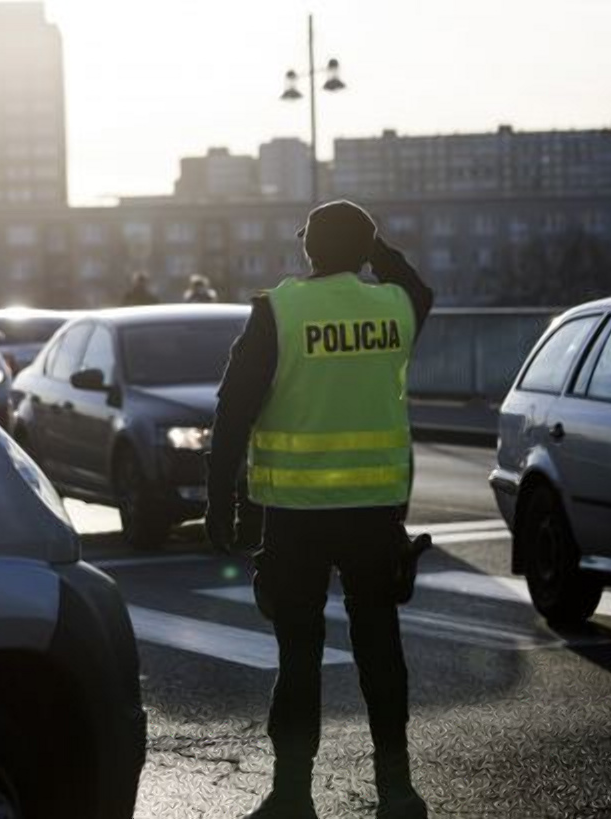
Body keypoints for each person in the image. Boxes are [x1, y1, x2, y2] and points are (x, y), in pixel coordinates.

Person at [205, 200, 435, 819]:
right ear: (364, 251)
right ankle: (397, 789)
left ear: (309, 249)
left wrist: (220, 503)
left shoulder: (277, 312)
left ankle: (291, 795)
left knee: (298, 652)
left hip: (296, 514)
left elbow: (232, 414)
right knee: (381, 649)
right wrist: (373, 246)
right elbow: (416, 283)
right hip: (375, 514)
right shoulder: (395, 307)